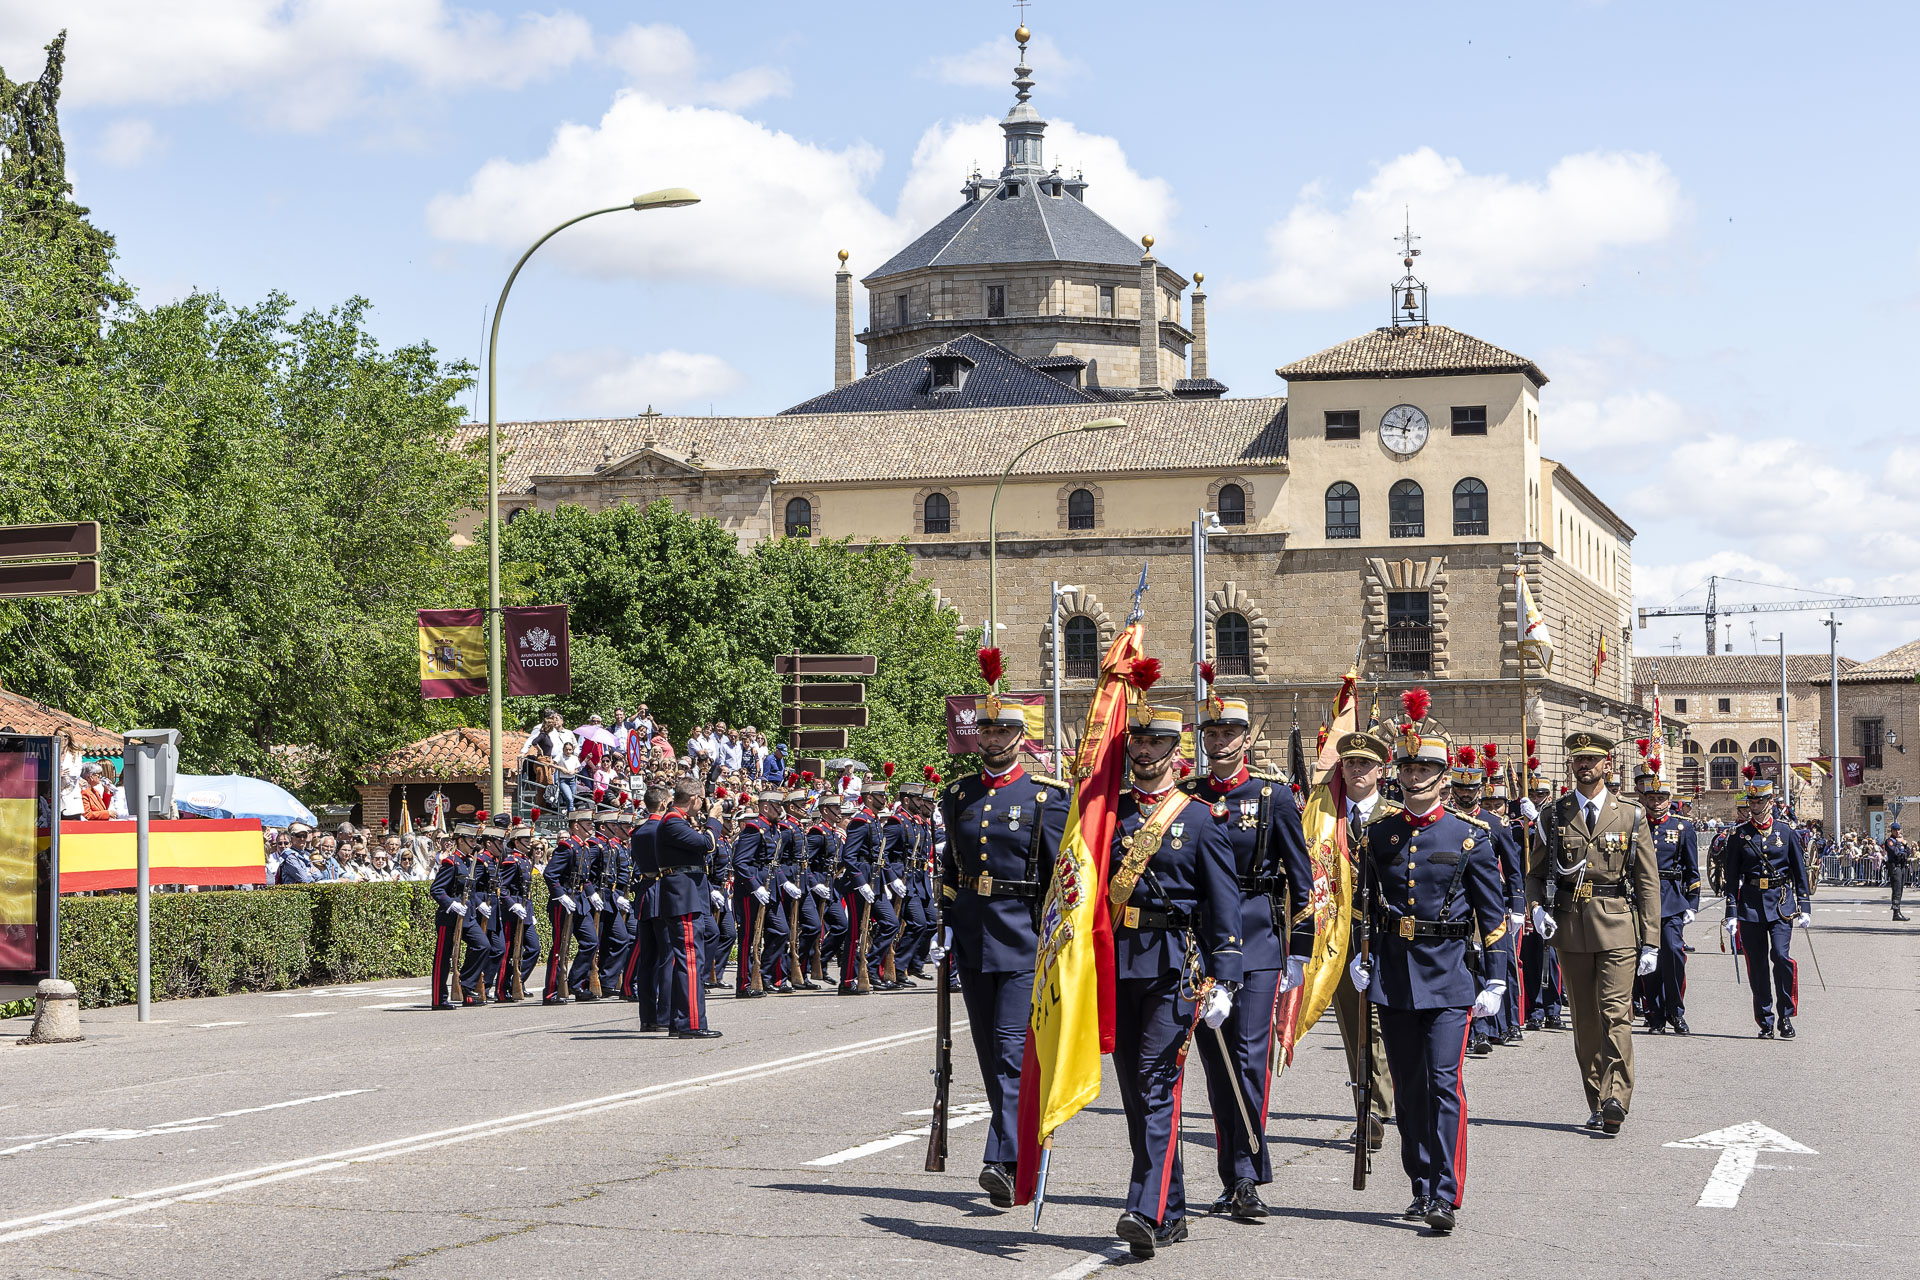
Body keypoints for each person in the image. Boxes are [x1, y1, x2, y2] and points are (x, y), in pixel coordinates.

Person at [1348, 691, 1508, 1235]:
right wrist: (1358, 957)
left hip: (1448, 979)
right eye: (1410, 765)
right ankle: (1419, 1183)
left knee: (1444, 1084)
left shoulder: (1470, 837)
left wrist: (1498, 977)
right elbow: (1364, 904)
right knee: (1410, 1087)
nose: (1416, 775)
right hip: (1393, 979)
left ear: (1444, 775)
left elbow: (1492, 916)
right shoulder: (1379, 834)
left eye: (1427, 767)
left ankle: (1445, 1190)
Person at [1103, 700, 1241, 1259]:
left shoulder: (1201, 819)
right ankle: (1173, 1208)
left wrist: (1225, 977)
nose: (1143, 750)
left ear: (1175, 750)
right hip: (1118, 963)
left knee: (1157, 1083)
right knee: (1135, 1091)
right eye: (1136, 741)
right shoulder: (1108, 815)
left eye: (1155, 742)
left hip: (1174, 966)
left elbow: (1224, 906)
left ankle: (1144, 1207)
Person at [933, 692, 1069, 1211]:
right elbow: (952, 867)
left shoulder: (1045, 797)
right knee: (990, 1056)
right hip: (972, 936)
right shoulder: (959, 794)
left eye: (1001, 732)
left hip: (1023, 939)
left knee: (1013, 1051)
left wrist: (1058, 940)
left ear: (1019, 738)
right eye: (985, 732)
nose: (991, 739)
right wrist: (945, 922)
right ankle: (1016, 1163)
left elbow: (1061, 876)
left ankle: (1001, 1159)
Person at [1184, 685, 1313, 1221]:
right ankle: (1231, 1174)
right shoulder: (1188, 796)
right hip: (1202, 943)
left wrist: (1297, 954)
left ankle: (1247, 1173)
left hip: (1257, 938)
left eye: (1228, 733)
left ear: (1245, 739)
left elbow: (1303, 882)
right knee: (1215, 1064)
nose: (1219, 741)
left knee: (1248, 1058)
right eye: (1211, 733)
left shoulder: (1272, 798)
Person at [1525, 732, 1659, 1135]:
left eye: (1592, 759)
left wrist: (1651, 939)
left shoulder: (1631, 815)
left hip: (1618, 924)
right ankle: (1598, 1101)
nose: (1585, 765)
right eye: (1578, 759)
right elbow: (1533, 874)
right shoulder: (1553, 815)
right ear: (1571, 766)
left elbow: (1647, 881)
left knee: (1616, 1014)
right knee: (1584, 1020)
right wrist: (1535, 910)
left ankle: (1616, 1095)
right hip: (1569, 925)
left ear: (1607, 765)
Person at [1329, 727, 1396, 1154]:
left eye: (1365, 764)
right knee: (1353, 1026)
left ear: (1379, 770)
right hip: (1339, 934)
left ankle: (1376, 1109)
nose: (1357, 770)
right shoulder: (1324, 819)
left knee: (1379, 1024)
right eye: (1351, 763)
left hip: (1384, 935)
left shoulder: (1394, 816)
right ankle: (1365, 1105)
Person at [1720, 773, 1810, 1038]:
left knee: (1781, 958)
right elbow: (1731, 875)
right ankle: (1765, 1020)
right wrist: (1731, 912)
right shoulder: (1739, 835)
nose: (1754, 806)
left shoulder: (1785, 832)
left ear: (1770, 801)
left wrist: (1804, 906)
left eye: (1759, 801)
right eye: (1751, 802)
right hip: (1750, 905)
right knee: (1757, 965)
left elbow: (1799, 870)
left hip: (1781, 903)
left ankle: (1786, 1016)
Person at [1634, 753, 1699, 1034]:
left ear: (1668, 799)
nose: (1656, 803)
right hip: (1643, 901)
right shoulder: (1637, 826)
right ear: (1645, 799)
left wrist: (1692, 904)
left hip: (1672, 898)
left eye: (1661, 799)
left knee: (1673, 953)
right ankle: (1655, 1014)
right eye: (1651, 799)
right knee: (1649, 959)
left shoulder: (1682, 827)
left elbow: (1692, 870)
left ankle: (1676, 1011)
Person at [655, 778, 721, 1038]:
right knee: (691, 959)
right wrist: (713, 820)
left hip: (689, 895)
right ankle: (692, 1023)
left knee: (689, 958)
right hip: (683, 896)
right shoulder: (672, 820)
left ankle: (680, 1021)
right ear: (693, 798)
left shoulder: (678, 821)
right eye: (702, 798)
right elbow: (706, 844)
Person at [541, 809, 604, 1004]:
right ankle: (551, 991)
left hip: (580, 902)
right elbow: (550, 874)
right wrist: (561, 895)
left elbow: (583, 877)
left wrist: (591, 892)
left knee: (591, 941)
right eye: (588, 823)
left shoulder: (583, 847)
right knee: (561, 947)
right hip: (564, 903)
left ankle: (576, 983)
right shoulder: (566, 847)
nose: (592, 826)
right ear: (576, 825)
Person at [1884, 823, 1912, 922]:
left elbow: (1907, 852)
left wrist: (1904, 844)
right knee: (1896, 890)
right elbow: (1894, 852)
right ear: (1892, 831)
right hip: (1895, 867)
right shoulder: (1890, 841)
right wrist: (1898, 844)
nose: (1897, 832)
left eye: (1898, 830)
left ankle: (1897, 910)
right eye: (1895, 830)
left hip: (1902, 866)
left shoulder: (1901, 841)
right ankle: (1896, 913)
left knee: (1900, 889)